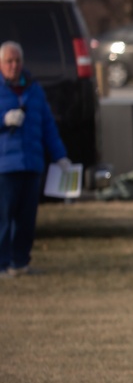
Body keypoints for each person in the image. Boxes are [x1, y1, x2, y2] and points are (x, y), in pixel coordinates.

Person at [0, 41, 72, 278]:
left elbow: (47, 126)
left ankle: (20, 262)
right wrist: (3, 121)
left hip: (31, 164)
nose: (13, 65)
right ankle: (2, 264)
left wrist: (60, 156)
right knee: (3, 218)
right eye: (9, 61)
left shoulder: (34, 90)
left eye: (17, 61)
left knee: (26, 218)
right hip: (5, 167)